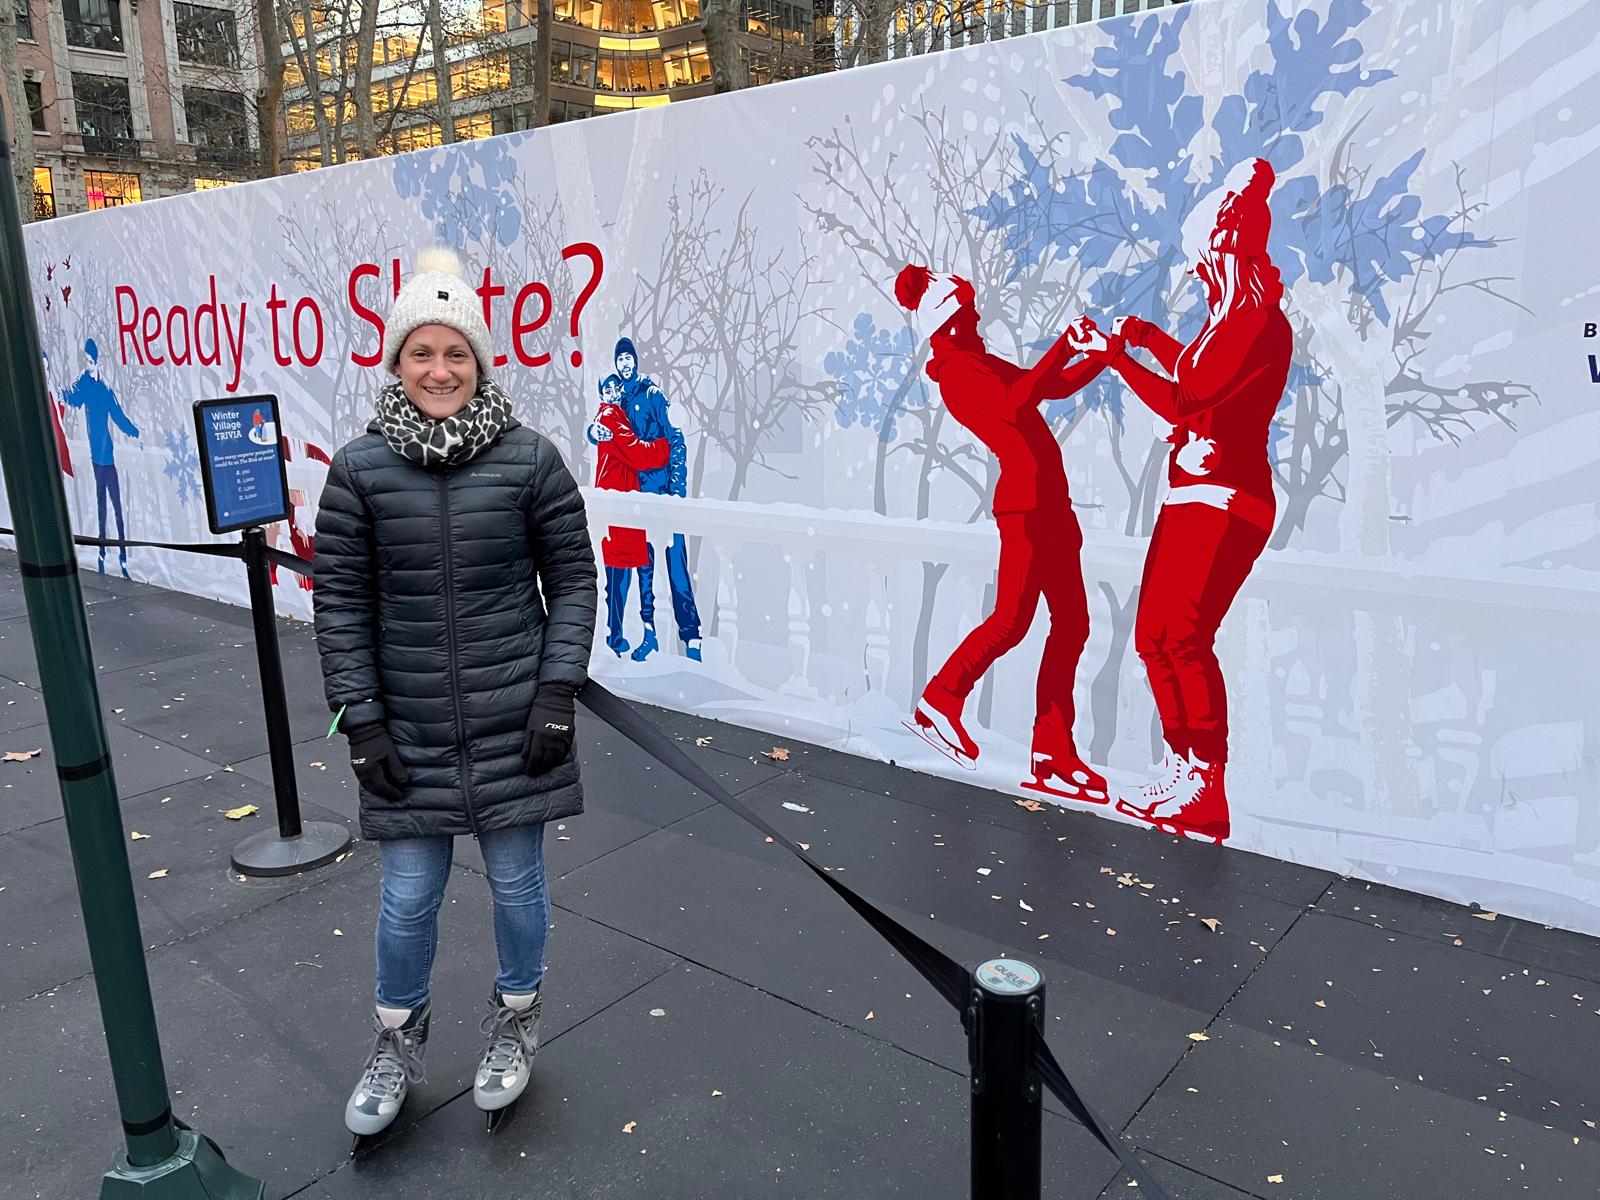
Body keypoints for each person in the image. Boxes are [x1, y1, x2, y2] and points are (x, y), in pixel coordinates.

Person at [313, 248, 598, 1142]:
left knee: (518, 885)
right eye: (422, 353)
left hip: (516, 725)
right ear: (396, 362)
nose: (440, 370)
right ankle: (397, 1040)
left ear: (480, 362)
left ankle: (516, 1021)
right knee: (406, 897)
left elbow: (575, 583)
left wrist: (557, 692)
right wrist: (362, 722)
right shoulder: (359, 469)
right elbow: (339, 604)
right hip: (411, 733)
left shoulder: (530, 460)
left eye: (457, 354)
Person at [1080, 158, 1293, 844]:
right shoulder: (1229, 321)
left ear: (1225, 254)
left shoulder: (1254, 320)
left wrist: (1123, 355)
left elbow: (1188, 391)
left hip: (1227, 496)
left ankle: (1205, 781)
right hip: (1196, 491)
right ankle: (1185, 765)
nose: (1199, 276)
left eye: (1205, 263)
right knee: (1155, 637)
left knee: (1182, 636)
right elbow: (1192, 378)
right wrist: (1138, 342)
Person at [895, 266, 1116, 804]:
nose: (976, 318)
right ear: (947, 323)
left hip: (1050, 506)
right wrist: (1064, 344)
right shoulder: (957, 372)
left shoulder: (979, 359)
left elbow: (1050, 385)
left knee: (1073, 624)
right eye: (967, 313)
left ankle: (1052, 750)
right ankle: (940, 701)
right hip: (1026, 508)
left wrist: (1101, 356)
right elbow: (1018, 399)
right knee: (1013, 620)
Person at [588, 336, 702, 661]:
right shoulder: (619, 402)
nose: (624, 363)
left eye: (628, 357)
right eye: (619, 359)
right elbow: (607, 424)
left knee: (676, 568)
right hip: (638, 501)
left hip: (664, 497)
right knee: (646, 571)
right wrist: (592, 431)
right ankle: (649, 634)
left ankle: (691, 638)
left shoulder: (652, 394)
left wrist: (677, 489)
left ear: (635, 361)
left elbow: (675, 439)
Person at [587, 373, 670, 656]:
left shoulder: (614, 415)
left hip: (618, 499)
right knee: (619, 572)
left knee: (617, 572)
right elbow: (637, 454)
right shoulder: (610, 416)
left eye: (614, 387)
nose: (611, 392)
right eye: (606, 388)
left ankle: (616, 634)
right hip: (618, 501)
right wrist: (663, 445)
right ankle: (615, 635)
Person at [60, 337, 139, 577]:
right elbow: (72, 398)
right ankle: (103, 553)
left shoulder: (104, 388)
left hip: (108, 455)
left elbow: (118, 415)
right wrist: (60, 390)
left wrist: (135, 432)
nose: (88, 363)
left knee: (116, 506)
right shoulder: (85, 383)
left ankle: (123, 555)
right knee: (102, 506)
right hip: (96, 456)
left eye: (91, 360)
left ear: (97, 360)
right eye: (86, 360)